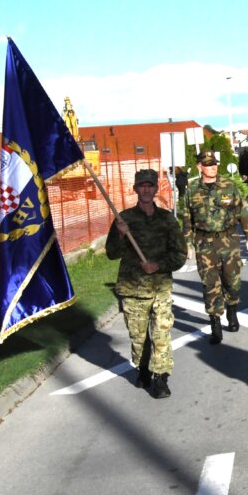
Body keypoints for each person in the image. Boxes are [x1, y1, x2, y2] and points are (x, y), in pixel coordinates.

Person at [106, 169, 188, 398]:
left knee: (162, 334)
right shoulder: (124, 219)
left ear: (155, 189)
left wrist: (158, 265)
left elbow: (180, 254)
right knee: (138, 337)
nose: (146, 189)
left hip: (160, 287)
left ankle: (161, 378)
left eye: (150, 185)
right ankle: (142, 368)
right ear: (135, 189)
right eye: (141, 185)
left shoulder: (167, 219)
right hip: (133, 289)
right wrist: (120, 235)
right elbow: (111, 253)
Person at [180, 151, 248, 345]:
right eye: (208, 164)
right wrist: (187, 244)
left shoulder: (228, 186)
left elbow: (242, 212)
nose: (213, 167)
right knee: (209, 283)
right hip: (204, 242)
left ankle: (232, 310)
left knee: (232, 281)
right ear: (199, 167)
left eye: (214, 163)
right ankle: (215, 323)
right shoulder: (192, 189)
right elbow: (187, 219)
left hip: (228, 240)